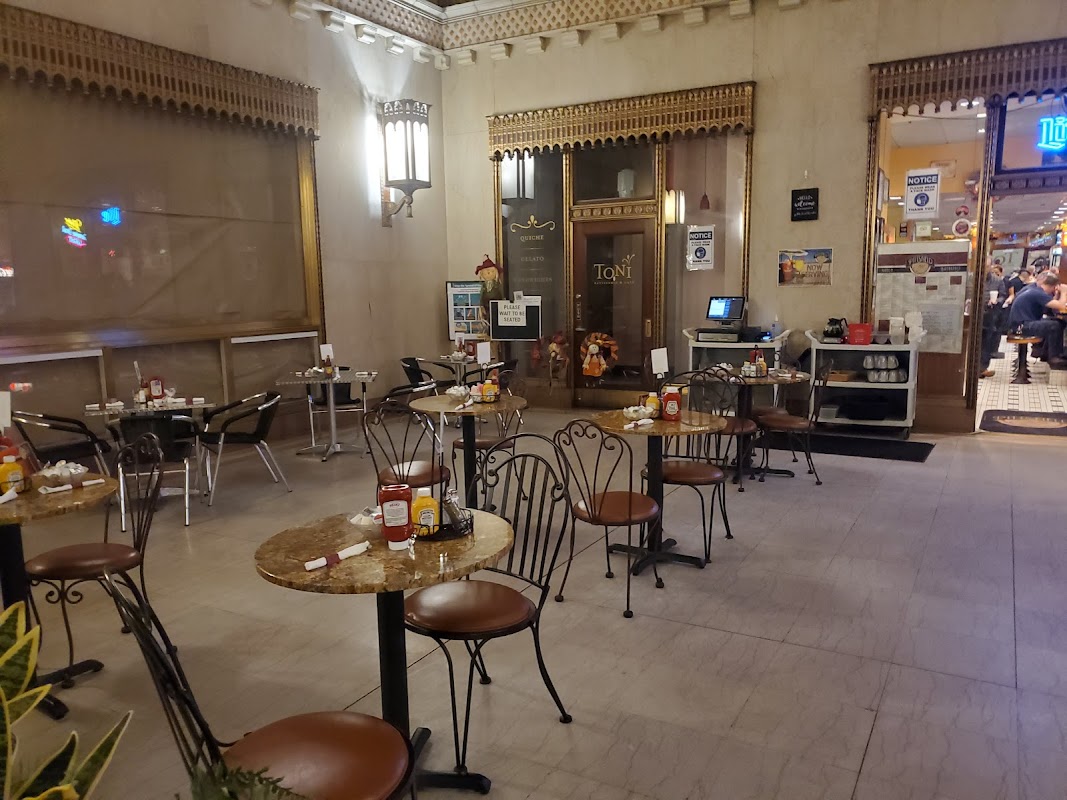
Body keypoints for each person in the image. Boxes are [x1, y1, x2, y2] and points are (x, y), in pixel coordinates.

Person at [1007, 272, 1067, 369]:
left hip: (1018, 324)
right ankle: (1054, 357)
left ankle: (1045, 354)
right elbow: (1060, 306)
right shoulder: (1037, 292)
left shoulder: (1033, 288)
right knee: (1055, 325)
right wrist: (1064, 292)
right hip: (1022, 327)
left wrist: (1056, 296)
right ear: (1052, 286)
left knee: (1056, 322)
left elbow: (1050, 305)